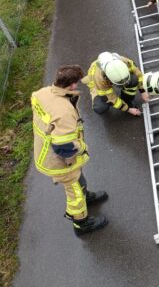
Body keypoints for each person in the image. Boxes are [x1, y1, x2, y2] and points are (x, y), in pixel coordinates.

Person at [31, 65, 108, 237]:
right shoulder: (64, 112)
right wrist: (81, 149)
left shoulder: (42, 93)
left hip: (45, 152)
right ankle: (81, 224)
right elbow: (64, 148)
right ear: (72, 85)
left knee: (78, 180)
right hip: (58, 163)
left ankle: (85, 195)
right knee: (75, 194)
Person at [82, 52, 148, 116]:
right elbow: (110, 98)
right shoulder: (99, 78)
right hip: (97, 85)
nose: (124, 84)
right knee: (100, 107)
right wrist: (128, 109)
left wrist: (143, 91)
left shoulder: (124, 61)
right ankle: (98, 101)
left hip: (108, 79)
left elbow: (138, 74)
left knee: (134, 79)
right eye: (120, 83)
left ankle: (126, 99)